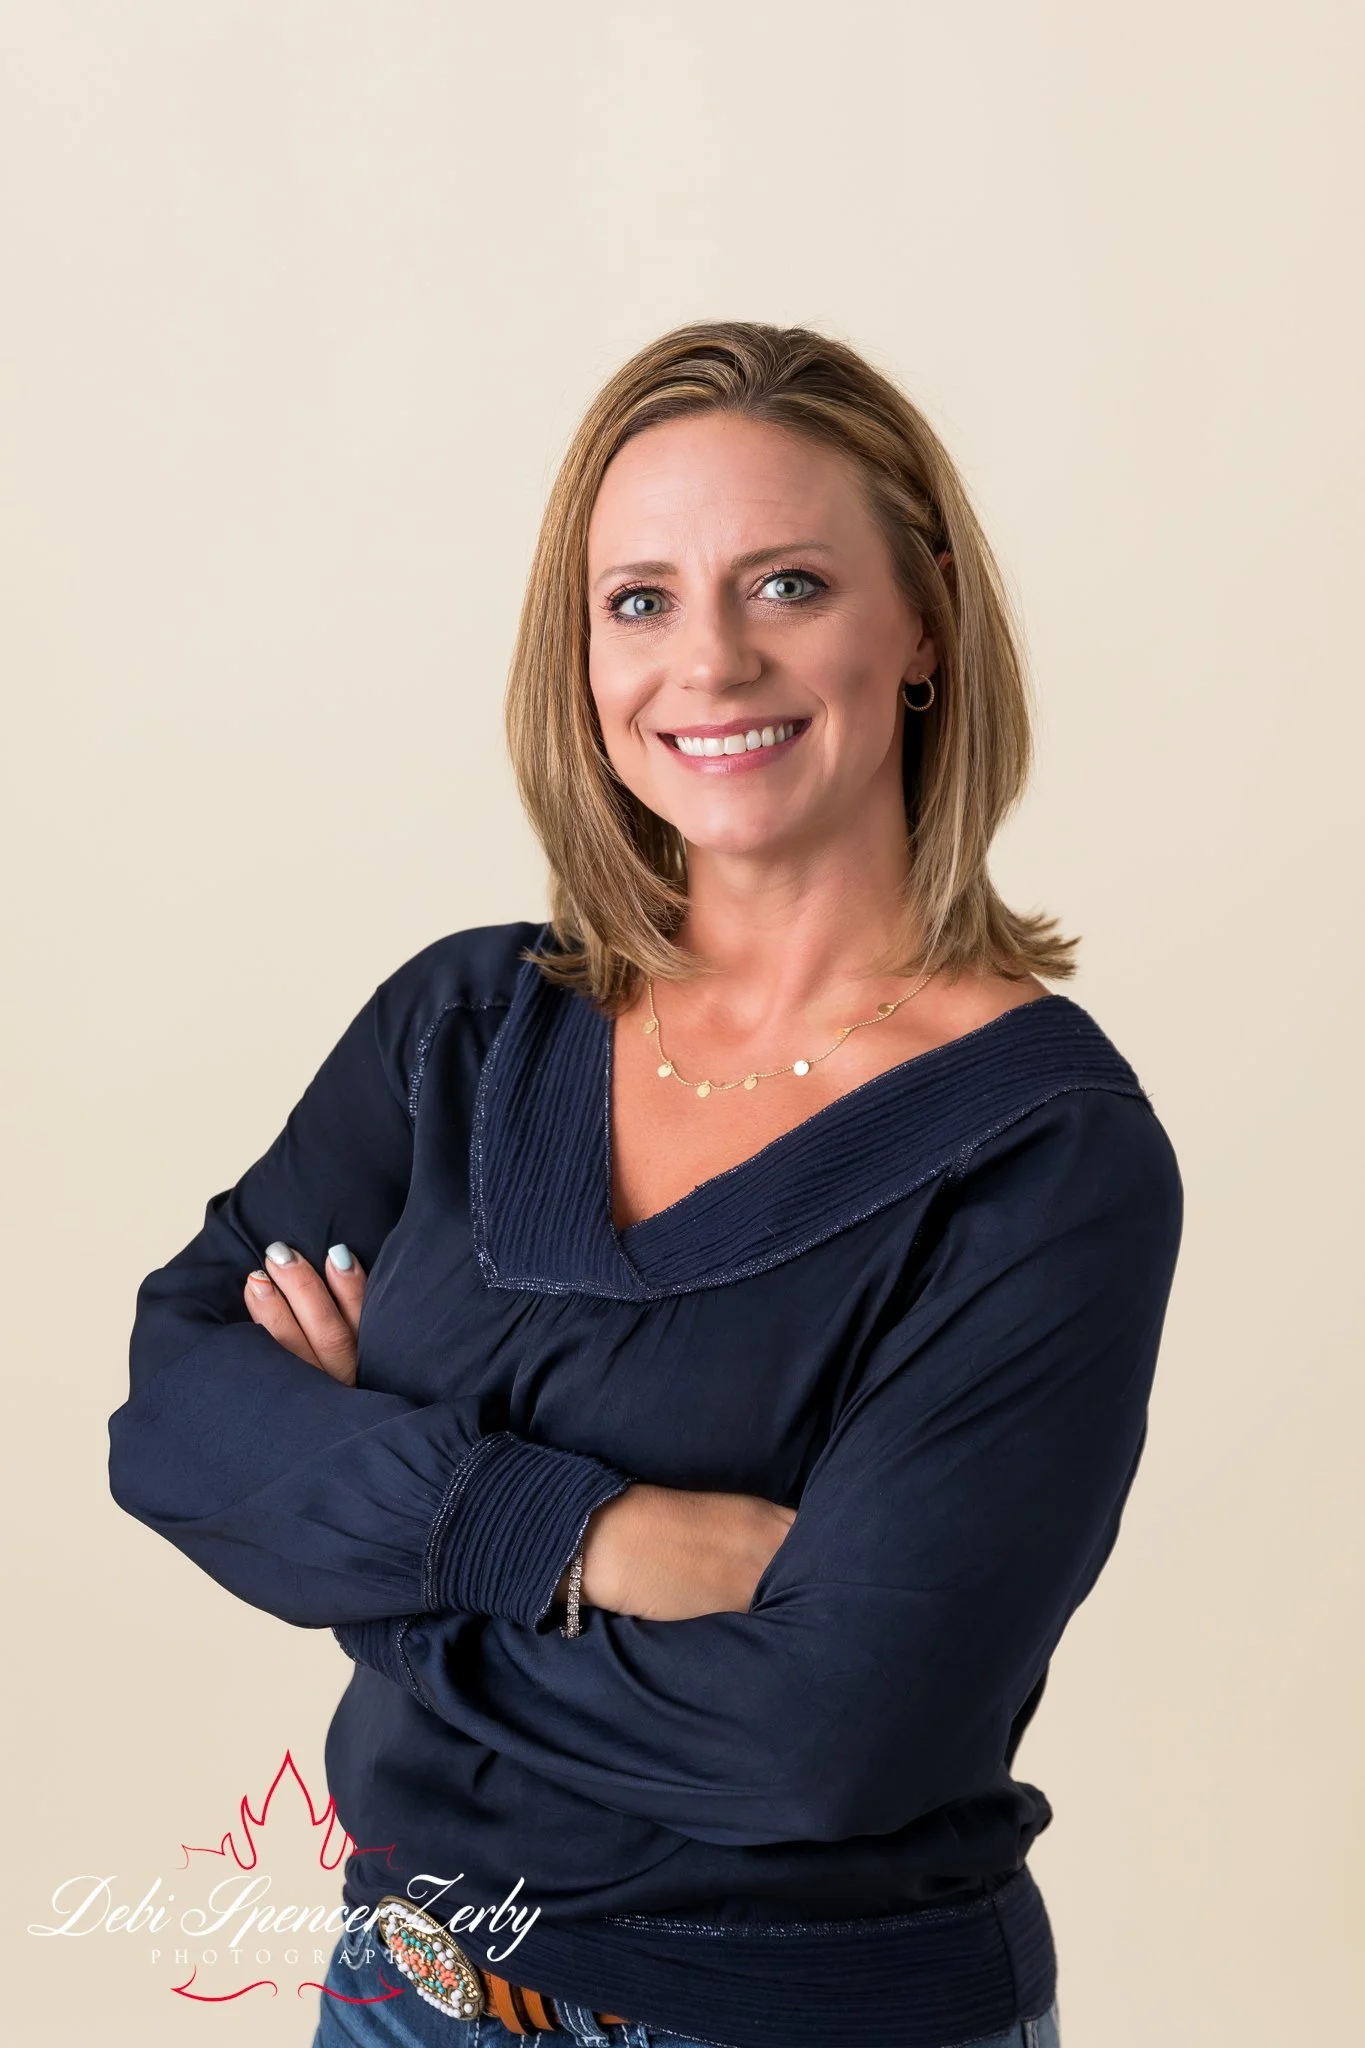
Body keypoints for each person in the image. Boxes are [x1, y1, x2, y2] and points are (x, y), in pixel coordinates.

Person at [107, 321, 1182, 2048]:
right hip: (404, 1993)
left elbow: (831, 1737)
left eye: (788, 586)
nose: (712, 663)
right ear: (581, 653)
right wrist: (573, 1537)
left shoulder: (1044, 1154)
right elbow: (171, 1411)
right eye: (641, 602)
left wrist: (361, 1543)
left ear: (921, 630)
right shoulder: (462, 1028)